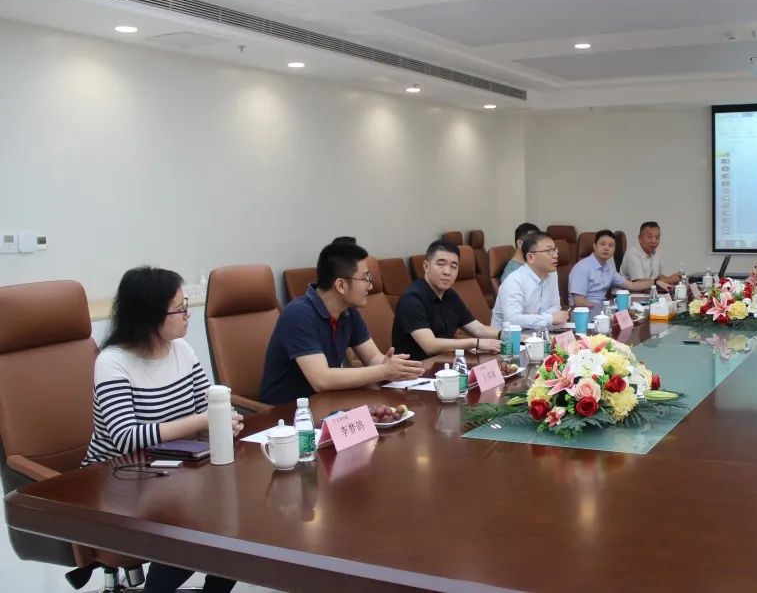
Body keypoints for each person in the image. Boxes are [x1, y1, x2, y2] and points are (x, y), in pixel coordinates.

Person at [82, 266, 243, 593]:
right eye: (180, 309)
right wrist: (203, 421)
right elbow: (126, 438)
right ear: (150, 316)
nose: (188, 315)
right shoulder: (113, 362)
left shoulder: (182, 349)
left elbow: (205, 406)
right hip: (116, 479)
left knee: (239, 519)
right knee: (196, 524)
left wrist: (223, 420)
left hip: (171, 470)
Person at [259, 242, 424, 405]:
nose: (370, 285)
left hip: (328, 401)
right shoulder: (298, 314)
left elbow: (372, 357)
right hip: (288, 412)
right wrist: (383, 371)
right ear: (341, 285)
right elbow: (321, 379)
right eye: (365, 278)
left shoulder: (349, 312)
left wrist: (392, 365)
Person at [391, 240, 502, 360]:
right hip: (417, 368)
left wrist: (505, 334)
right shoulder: (411, 299)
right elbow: (430, 346)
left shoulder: (450, 295)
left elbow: (479, 329)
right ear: (426, 266)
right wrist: (475, 343)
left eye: (453, 267)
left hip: (445, 361)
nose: (447, 272)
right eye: (441, 264)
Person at [568, 229, 670, 308]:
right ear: (594, 246)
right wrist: (605, 309)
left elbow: (632, 285)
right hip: (584, 312)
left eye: (611, 245)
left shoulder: (609, 268)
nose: (606, 248)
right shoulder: (582, 268)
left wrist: (655, 282)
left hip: (601, 310)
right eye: (602, 244)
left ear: (614, 249)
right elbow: (579, 302)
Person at [491, 231, 570, 329]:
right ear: (531, 257)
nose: (555, 255)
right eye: (548, 251)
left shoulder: (552, 274)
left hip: (540, 333)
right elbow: (512, 320)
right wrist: (549, 319)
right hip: (509, 336)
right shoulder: (514, 281)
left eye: (555, 250)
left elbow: (555, 307)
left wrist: (542, 319)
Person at [620, 221, 682, 285]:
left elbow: (659, 277)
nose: (654, 241)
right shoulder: (632, 254)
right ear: (640, 238)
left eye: (657, 237)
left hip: (650, 290)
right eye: (649, 237)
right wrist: (669, 280)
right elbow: (639, 282)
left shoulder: (656, 253)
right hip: (629, 291)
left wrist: (672, 279)